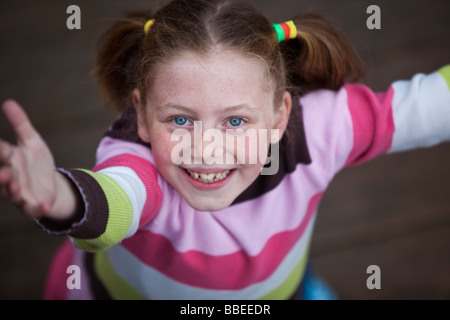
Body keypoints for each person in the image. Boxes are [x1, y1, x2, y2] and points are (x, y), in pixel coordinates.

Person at [0, 0, 449, 300]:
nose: (207, 149)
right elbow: (113, 198)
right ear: (141, 115)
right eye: (179, 119)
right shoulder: (137, 157)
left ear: (279, 116)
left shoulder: (320, 130)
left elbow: (424, 107)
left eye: (235, 121)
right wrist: (60, 197)